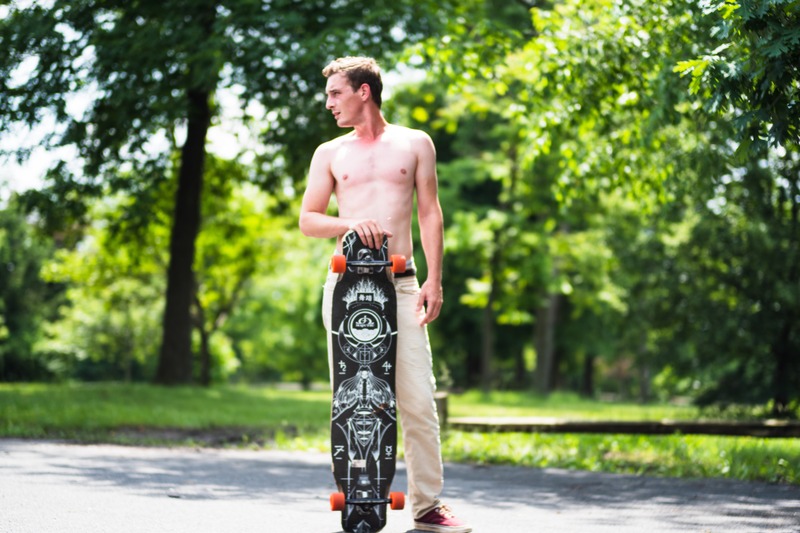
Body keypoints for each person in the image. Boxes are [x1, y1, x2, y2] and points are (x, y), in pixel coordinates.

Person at [299, 56, 471, 533]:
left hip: (402, 285)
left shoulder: (415, 143)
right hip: (348, 288)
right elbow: (309, 219)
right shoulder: (329, 153)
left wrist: (435, 279)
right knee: (353, 401)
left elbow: (430, 212)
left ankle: (427, 505)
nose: (329, 103)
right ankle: (359, 500)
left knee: (417, 397)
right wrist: (351, 222)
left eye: (336, 93)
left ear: (364, 92)